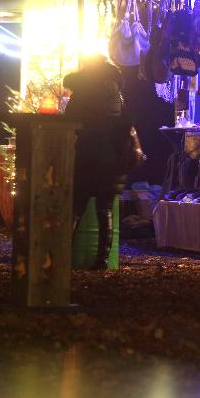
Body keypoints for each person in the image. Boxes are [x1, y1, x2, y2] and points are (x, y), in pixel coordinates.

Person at [64, 55, 132, 270]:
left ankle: (63, 257)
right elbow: (126, 124)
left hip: (85, 154)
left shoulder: (81, 92)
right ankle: (101, 261)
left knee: (76, 208)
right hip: (110, 158)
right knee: (105, 210)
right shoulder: (116, 94)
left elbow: (69, 120)